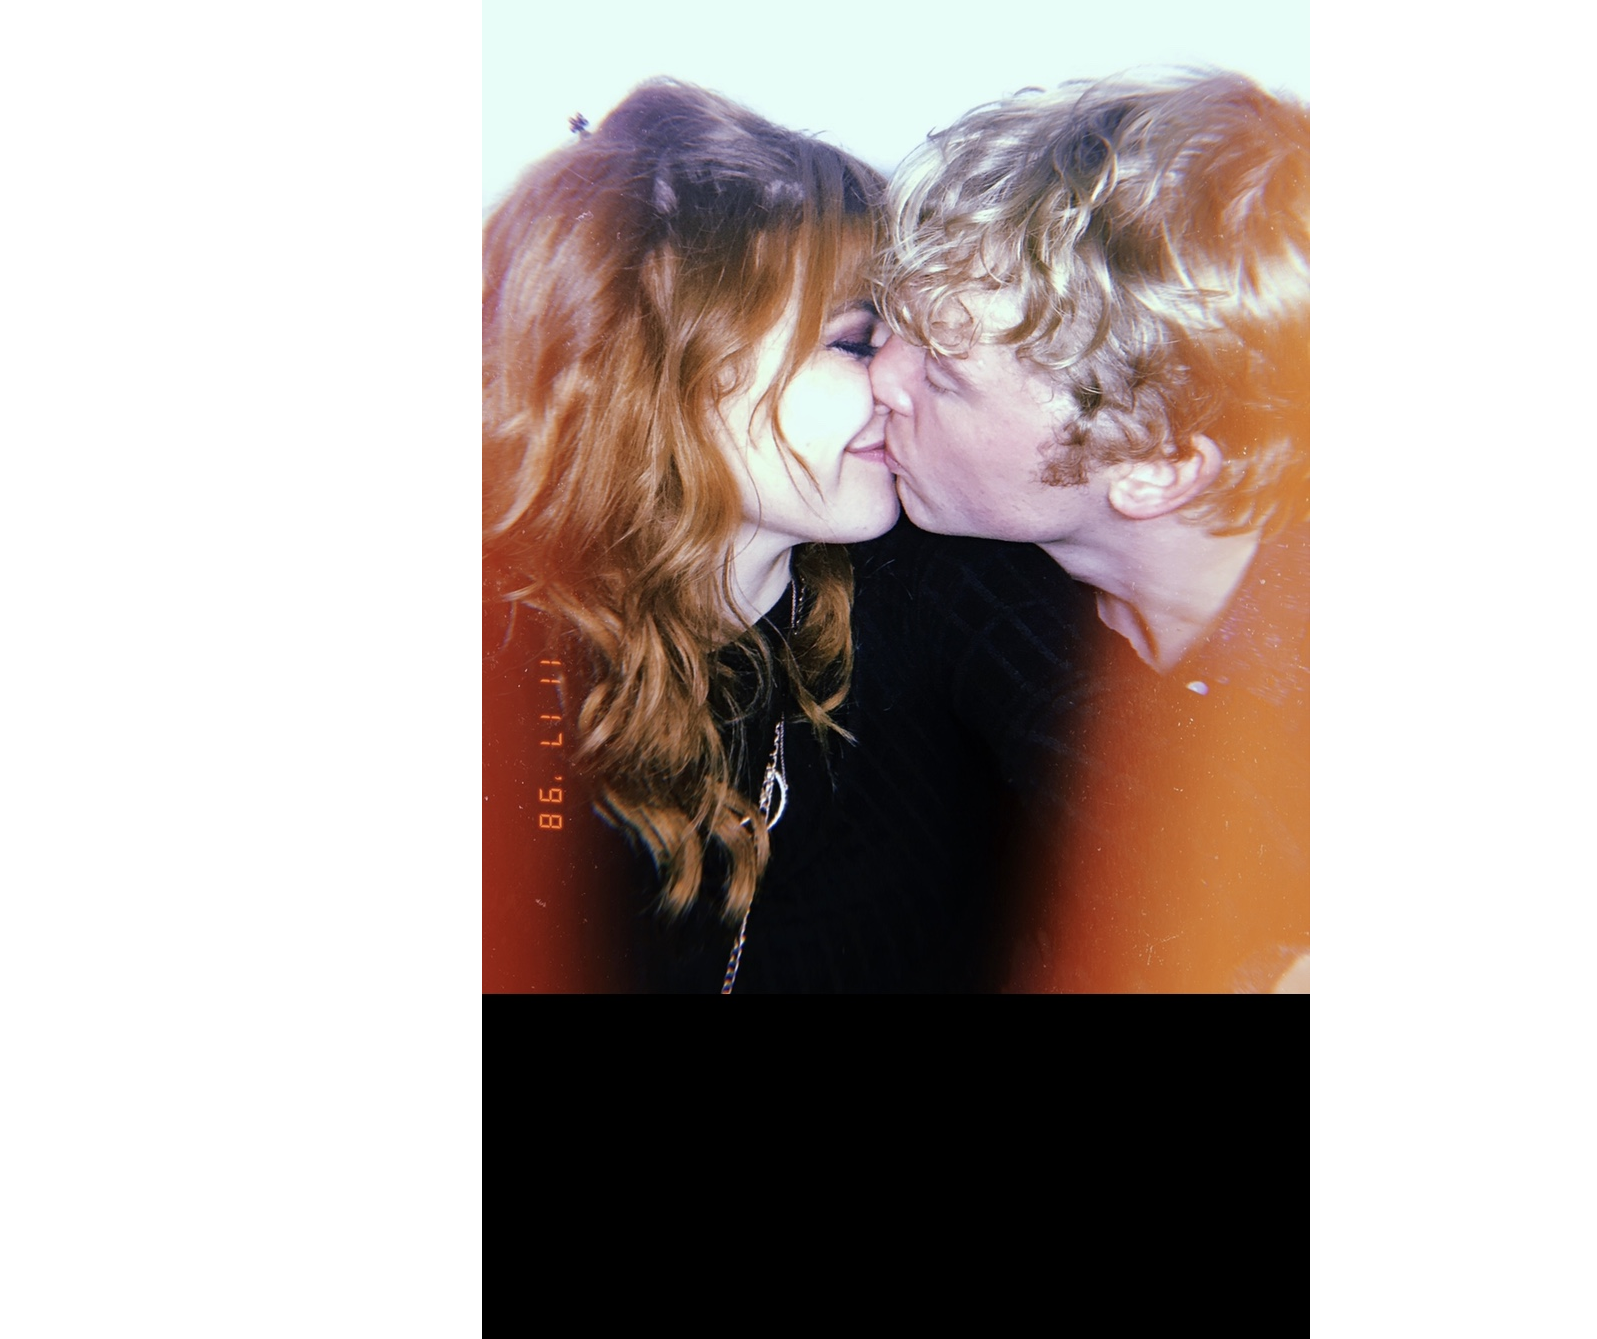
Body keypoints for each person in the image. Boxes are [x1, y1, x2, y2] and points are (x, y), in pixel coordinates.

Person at [482, 79, 1086, 993]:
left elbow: (1147, 788)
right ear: (653, 374)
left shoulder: (938, 575)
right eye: (856, 341)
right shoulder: (509, 668)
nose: (898, 382)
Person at [872, 69, 1310, 993]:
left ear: (1153, 467)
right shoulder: (977, 586)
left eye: (944, 375)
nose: (882, 378)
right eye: (892, 329)